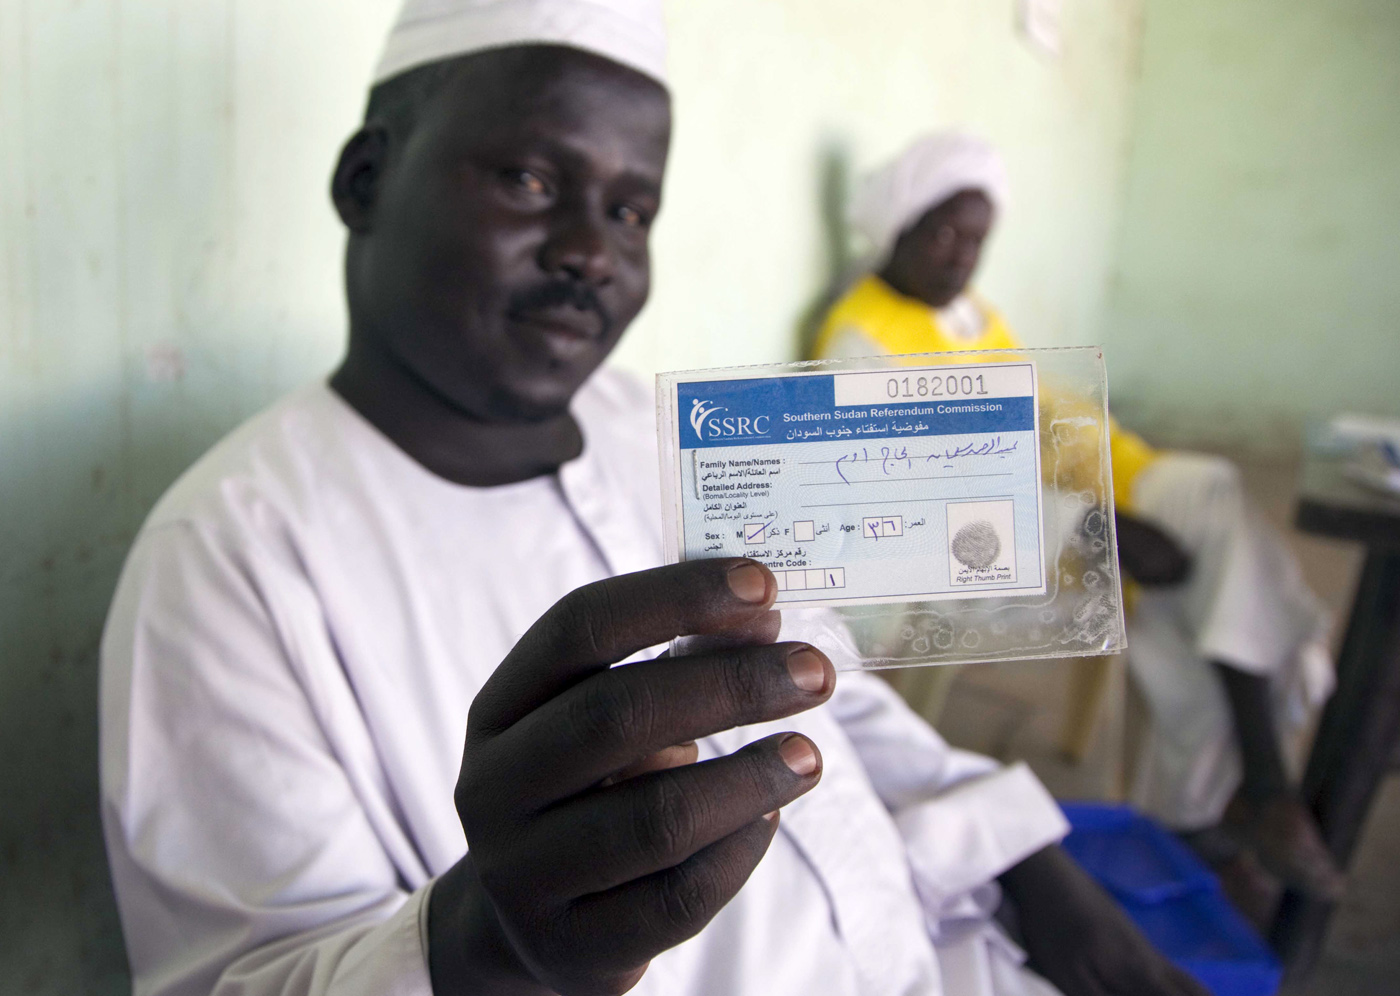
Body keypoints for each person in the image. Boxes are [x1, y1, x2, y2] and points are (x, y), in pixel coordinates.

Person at [99, 7, 1209, 995]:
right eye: (530, 182)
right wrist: (485, 952)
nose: (591, 252)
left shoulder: (666, 435)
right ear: (366, 182)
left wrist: (1027, 864)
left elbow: (831, 695)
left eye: (631, 212)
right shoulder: (230, 558)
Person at [812, 131, 1345, 918]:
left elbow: (1028, 410)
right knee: (1197, 592)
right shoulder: (863, 341)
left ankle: (1232, 808)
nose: (962, 256)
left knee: (1212, 498)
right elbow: (908, 500)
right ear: (900, 226)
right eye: (944, 234)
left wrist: (1111, 490)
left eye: (978, 239)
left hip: (1089, 497)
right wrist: (1093, 529)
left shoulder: (964, 314)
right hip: (996, 553)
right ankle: (1243, 797)